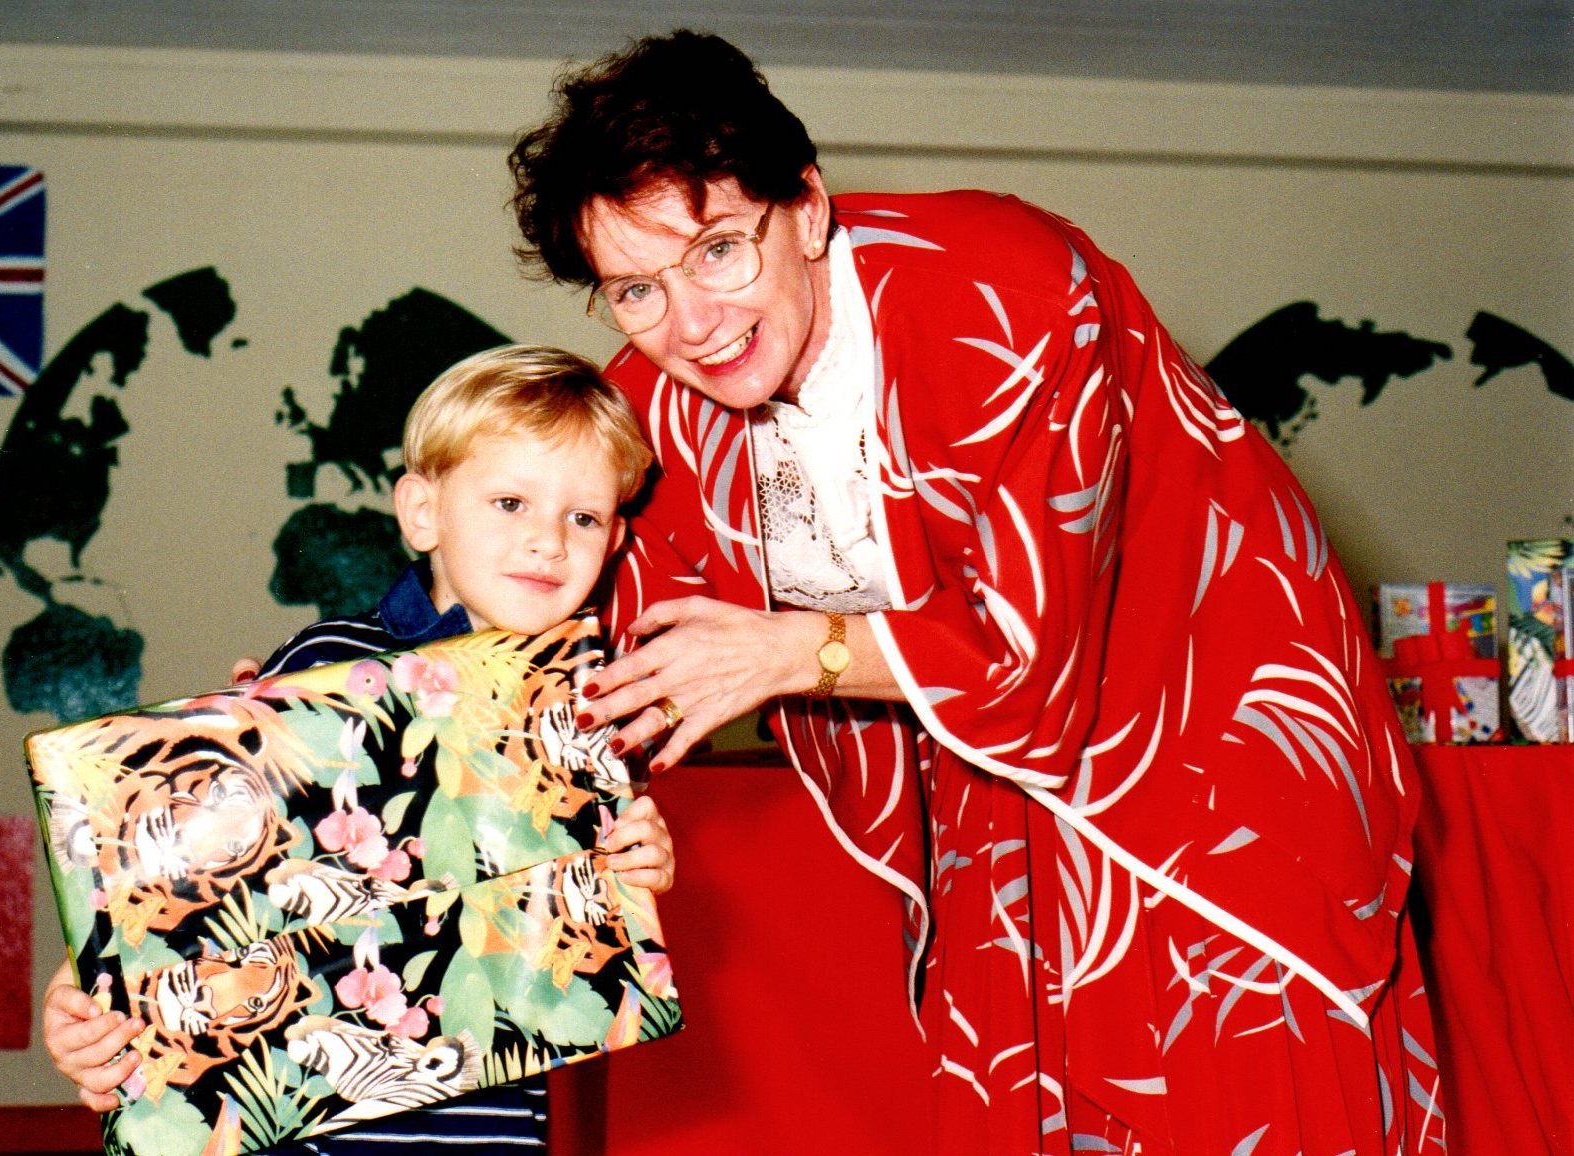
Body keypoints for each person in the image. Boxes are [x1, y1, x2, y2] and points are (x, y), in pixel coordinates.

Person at [507, 30, 1444, 1154]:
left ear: (805, 208)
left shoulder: (1006, 287)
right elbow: (569, 639)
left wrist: (786, 653)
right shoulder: (656, 398)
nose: (691, 323)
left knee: (1237, 1100)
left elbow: (1032, 654)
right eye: (635, 289)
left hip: (1219, 757)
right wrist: (310, 706)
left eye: (717, 251)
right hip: (995, 795)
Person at [42, 344, 676, 1154]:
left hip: (488, 1114)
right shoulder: (324, 667)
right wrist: (79, 996)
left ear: (616, 537)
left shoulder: (590, 707)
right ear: (422, 512)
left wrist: (641, 859)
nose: (548, 541)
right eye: (510, 502)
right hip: (306, 1115)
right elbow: (170, 869)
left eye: (581, 517)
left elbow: (594, 910)